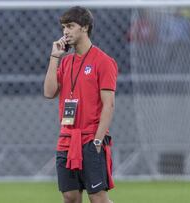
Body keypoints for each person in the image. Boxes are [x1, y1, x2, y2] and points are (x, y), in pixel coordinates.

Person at [43, 6, 118, 203]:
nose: (65, 31)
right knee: (70, 197)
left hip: (91, 138)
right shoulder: (66, 63)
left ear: (84, 27)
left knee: (98, 197)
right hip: (67, 138)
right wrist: (54, 58)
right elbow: (49, 92)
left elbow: (108, 105)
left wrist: (98, 140)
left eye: (70, 26)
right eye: (63, 27)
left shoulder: (104, 61)